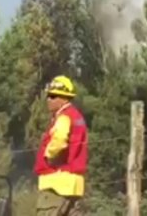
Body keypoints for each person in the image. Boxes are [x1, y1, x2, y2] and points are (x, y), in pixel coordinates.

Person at [34, 75, 88, 215]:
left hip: (56, 184)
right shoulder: (78, 118)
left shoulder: (64, 117)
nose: (48, 100)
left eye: (53, 96)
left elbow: (59, 140)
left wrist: (48, 154)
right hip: (74, 186)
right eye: (48, 96)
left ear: (64, 99)